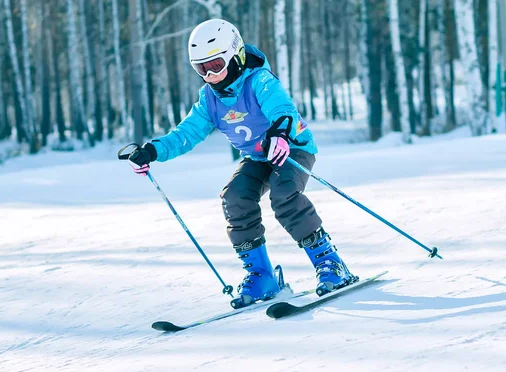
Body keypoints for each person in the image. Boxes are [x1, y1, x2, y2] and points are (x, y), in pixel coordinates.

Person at [128, 19, 358, 308]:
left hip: (292, 149)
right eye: (202, 69)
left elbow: (281, 108)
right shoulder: (208, 99)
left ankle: (330, 263)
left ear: (235, 56)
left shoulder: (259, 81)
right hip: (258, 157)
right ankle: (262, 276)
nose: (211, 75)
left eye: (216, 65)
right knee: (235, 197)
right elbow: (186, 134)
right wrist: (152, 151)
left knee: (284, 194)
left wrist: (280, 133)